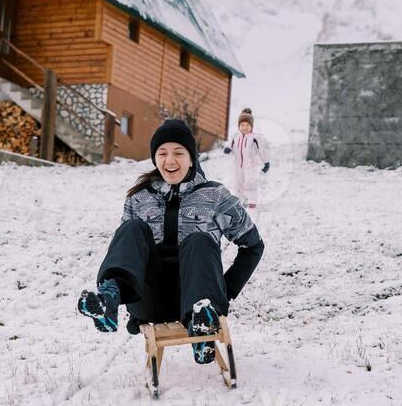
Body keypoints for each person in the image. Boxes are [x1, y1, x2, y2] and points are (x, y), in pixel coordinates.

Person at [77, 119, 264, 364]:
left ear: (192, 158)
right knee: (132, 229)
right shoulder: (138, 198)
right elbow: (127, 250)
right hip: (148, 300)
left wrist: (225, 291)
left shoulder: (215, 196)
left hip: (198, 301)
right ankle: (110, 299)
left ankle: (203, 326)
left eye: (179, 152)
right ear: (155, 158)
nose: (170, 160)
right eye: (162, 153)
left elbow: (253, 246)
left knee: (199, 240)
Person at [224, 108, 270, 210]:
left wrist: (266, 162)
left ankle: (252, 200)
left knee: (250, 182)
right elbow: (230, 146)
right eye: (242, 125)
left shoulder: (255, 138)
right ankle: (241, 199)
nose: (244, 127)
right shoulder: (235, 137)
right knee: (237, 183)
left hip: (250, 164)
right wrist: (228, 149)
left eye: (247, 125)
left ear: (251, 126)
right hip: (237, 165)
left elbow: (262, 151)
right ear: (239, 126)